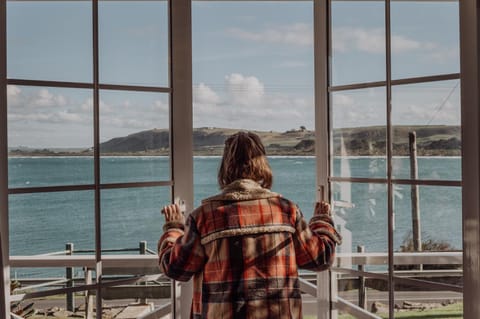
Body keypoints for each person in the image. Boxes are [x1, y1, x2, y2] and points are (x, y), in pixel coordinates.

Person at [157, 131, 342, 319]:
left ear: (225, 167)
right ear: (262, 164)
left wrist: (173, 228)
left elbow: (176, 269)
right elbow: (320, 258)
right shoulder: (286, 211)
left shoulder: (204, 217)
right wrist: (322, 220)